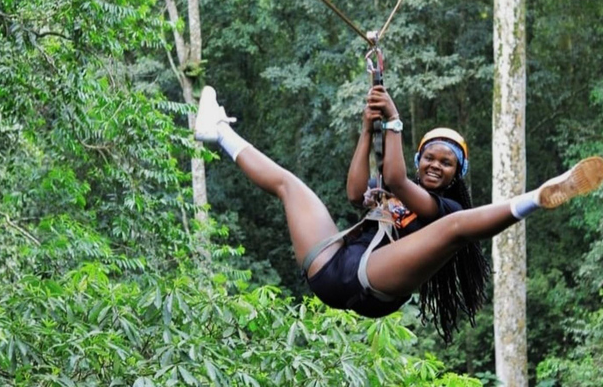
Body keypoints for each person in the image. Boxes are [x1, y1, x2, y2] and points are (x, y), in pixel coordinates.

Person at [194, 85, 603, 340]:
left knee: (457, 227)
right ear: (419, 157)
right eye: (430, 158)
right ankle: (219, 132)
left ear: (455, 175)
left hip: (376, 284)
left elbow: (395, 176)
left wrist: (394, 121)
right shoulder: (392, 189)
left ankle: (537, 196)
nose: (435, 166)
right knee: (289, 185)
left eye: (446, 164)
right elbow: (357, 191)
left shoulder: (442, 205)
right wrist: (367, 129)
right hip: (330, 267)